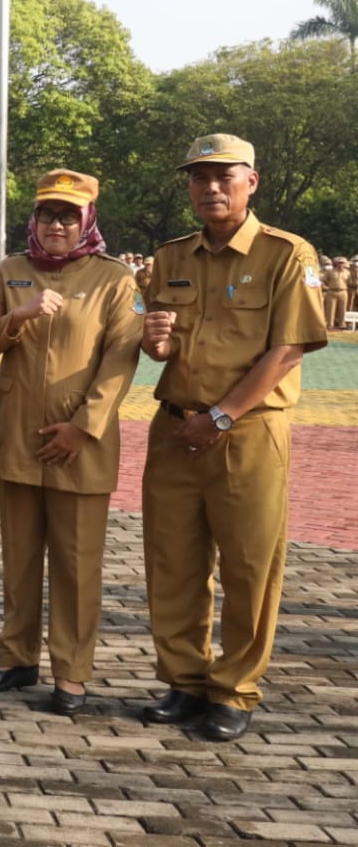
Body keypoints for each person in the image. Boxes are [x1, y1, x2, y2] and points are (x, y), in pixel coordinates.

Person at [138, 134, 326, 741]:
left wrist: (220, 416)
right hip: (174, 429)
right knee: (173, 562)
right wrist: (155, 340)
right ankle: (184, 681)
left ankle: (236, 690)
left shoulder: (286, 254)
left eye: (224, 176)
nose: (211, 187)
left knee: (249, 566)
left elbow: (288, 349)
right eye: (199, 177)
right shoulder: (171, 258)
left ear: (253, 182)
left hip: (246, 432)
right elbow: (160, 346)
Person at [0, 171, 142, 714]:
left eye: (69, 215)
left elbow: (121, 358)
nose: (57, 225)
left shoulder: (115, 279)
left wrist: (83, 427)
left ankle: (72, 671)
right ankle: (15, 657)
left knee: (75, 562)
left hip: (80, 443)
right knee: (18, 558)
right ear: (34, 220)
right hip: (18, 436)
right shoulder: (12, 271)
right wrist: (17, 316)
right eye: (47, 214)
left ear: (88, 218)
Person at [321, 256, 349, 330]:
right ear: (336, 263)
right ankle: (330, 324)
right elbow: (324, 280)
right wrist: (327, 286)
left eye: (342, 263)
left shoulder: (347, 272)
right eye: (339, 263)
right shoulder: (330, 271)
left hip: (343, 291)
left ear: (345, 264)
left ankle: (342, 324)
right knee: (330, 309)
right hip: (332, 291)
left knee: (343, 309)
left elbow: (349, 282)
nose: (341, 264)